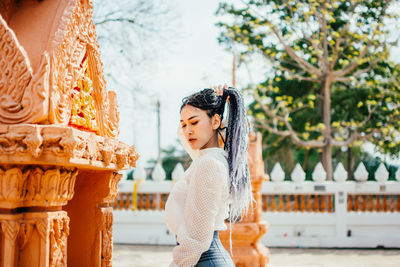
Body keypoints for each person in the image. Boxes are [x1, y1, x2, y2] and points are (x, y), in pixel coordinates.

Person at [165, 84, 253, 267]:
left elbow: (197, 238)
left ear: (215, 122)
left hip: (202, 259)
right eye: (183, 124)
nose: (187, 130)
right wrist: (219, 100)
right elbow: (185, 137)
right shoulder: (210, 159)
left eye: (194, 122)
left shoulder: (209, 164)